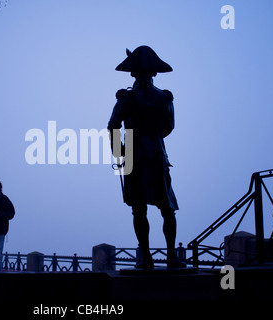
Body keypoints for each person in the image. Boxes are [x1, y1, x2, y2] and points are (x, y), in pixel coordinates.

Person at [108, 45, 186, 269]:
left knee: (138, 207)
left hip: (133, 152)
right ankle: (172, 257)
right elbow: (168, 128)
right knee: (167, 207)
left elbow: (113, 125)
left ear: (133, 73)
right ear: (154, 73)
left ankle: (146, 259)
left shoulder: (126, 98)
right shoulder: (164, 98)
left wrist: (120, 151)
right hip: (157, 152)